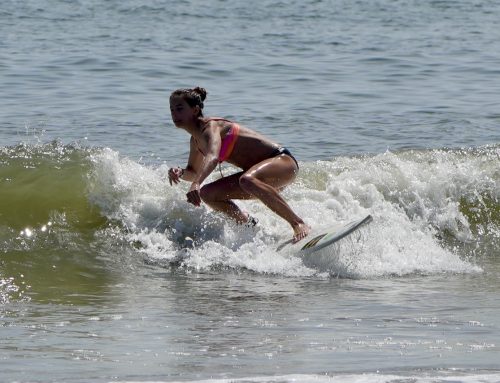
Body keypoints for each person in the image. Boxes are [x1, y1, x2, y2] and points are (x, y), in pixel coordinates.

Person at [167, 87, 311, 243]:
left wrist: (196, 183)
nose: (174, 114)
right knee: (208, 193)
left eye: (180, 109)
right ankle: (247, 223)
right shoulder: (195, 140)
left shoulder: (211, 127)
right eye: (172, 110)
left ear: (195, 110)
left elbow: (213, 157)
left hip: (283, 163)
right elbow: (193, 172)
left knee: (246, 179)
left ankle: (298, 223)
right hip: (258, 179)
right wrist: (180, 173)